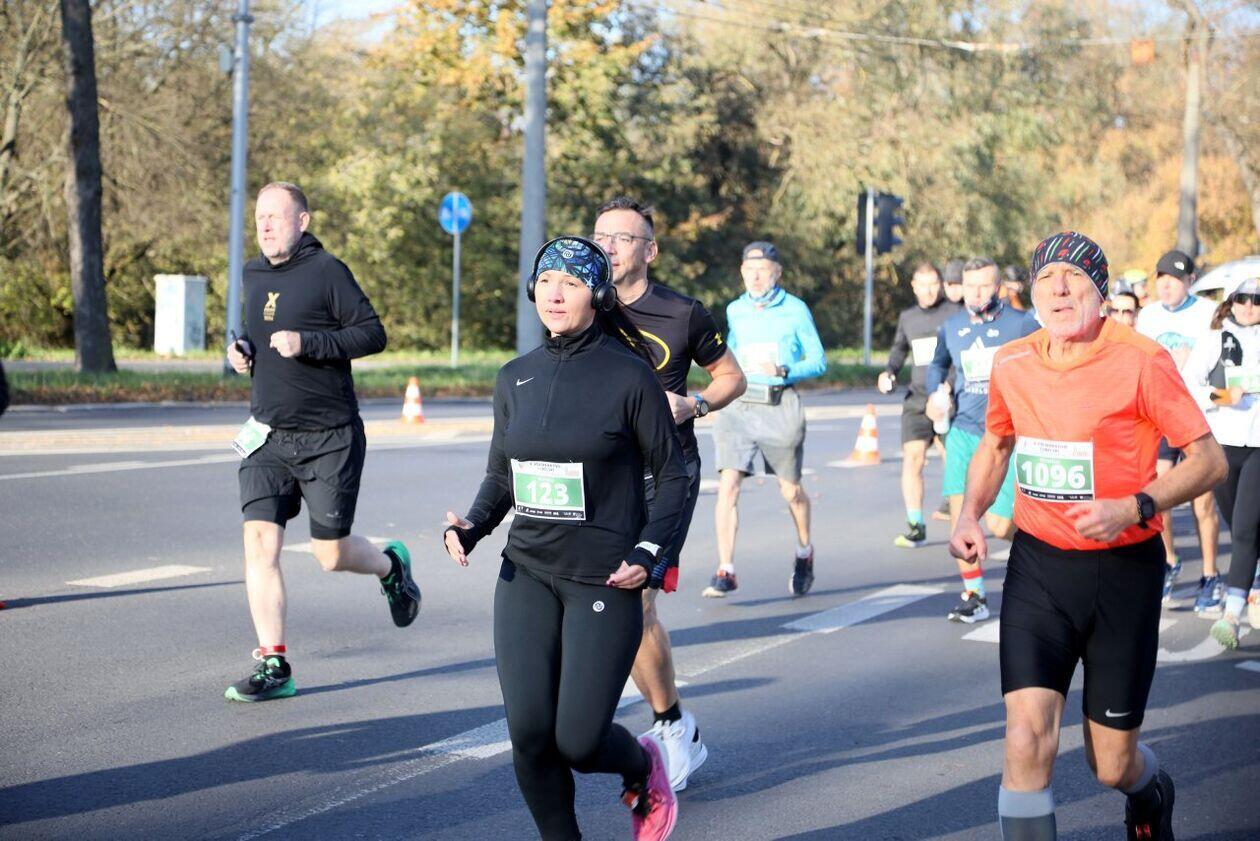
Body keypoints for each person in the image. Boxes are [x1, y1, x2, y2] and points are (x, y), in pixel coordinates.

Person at [953, 231, 1226, 841]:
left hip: (1122, 572)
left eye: (1074, 277)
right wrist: (969, 514)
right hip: (1039, 568)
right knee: (1025, 737)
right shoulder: (1013, 361)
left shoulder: (1142, 360)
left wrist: (1135, 506)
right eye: (1047, 279)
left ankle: (1150, 792)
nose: (1059, 289)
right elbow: (996, 444)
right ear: (1031, 293)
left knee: (1112, 764)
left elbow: (1209, 462)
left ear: (1100, 293)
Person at [443, 236, 685, 840]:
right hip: (525, 572)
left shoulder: (629, 377)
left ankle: (642, 766)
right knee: (529, 735)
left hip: (603, 578)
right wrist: (473, 525)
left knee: (578, 741)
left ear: (597, 296)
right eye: (546, 281)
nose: (554, 293)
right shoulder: (514, 377)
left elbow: (672, 477)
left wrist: (648, 553)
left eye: (571, 283)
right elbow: (503, 474)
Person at [224, 182, 420, 703]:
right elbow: (255, 332)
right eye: (260, 217)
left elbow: (372, 334)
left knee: (330, 556)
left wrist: (308, 342)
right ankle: (274, 663)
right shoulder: (253, 272)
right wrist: (242, 351)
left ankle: (390, 566)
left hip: (329, 436)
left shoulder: (328, 271)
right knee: (259, 544)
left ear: (302, 221)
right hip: (267, 436)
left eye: (276, 216)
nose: (266, 225)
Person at [593, 196, 747, 791]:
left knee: (634, 603)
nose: (608, 246)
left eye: (622, 238)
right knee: (606, 605)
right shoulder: (582, 304)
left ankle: (671, 725)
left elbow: (732, 376)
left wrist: (695, 404)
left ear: (649, 250)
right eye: (601, 236)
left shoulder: (683, 314)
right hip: (599, 474)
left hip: (665, 473)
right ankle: (670, 720)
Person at [705, 241, 826, 598]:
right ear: (742, 272)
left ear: (777, 273)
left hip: (779, 404)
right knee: (728, 484)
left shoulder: (796, 310)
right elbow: (731, 349)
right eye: (749, 270)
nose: (756, 277)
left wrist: (784, 369)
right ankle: (726, 569)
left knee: (791, 491)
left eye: (763, 270)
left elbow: (819, 360)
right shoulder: (735, 310)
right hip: (739, 405)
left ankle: (804, 551)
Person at [926, 257, 1038, 622]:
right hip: (964, 430)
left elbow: (1046, 360)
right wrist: (936, 391)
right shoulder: (952, 326)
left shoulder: (1021, 323)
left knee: (1001, 525)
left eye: (984, 285)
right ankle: (974, 594)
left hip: (1007, 436)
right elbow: (937, 364)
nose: (976, 293)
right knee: (963, 516)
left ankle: (1048, 554)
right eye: (970, 286)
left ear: (998, 287)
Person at [1135, 250, 1221, 612]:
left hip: (1199, 415)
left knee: (1202, 500)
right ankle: (1170, 560)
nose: (1167, 285)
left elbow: (1218, 361)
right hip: (1161, 417)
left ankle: (1210, 575)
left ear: (1190, 282)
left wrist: (1191, 364)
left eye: (1176, 278)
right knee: (1158, 492)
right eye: (1162, 278)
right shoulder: (1149, 316)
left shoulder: (1208, 313)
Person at [1183, 276, 1260, 648]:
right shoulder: (1215, 338)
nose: (1249, 306)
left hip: (1259, 444)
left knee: (1245, 527)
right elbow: (1188, 383)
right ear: (1232, 301)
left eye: (1257, 300)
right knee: (1238, 524)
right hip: (1224, 444)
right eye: (1243, 298)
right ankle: (1254, 581)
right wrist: (1221, 395)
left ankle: (1231, 615)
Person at [878, 261, 959, 547]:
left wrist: (948, 387)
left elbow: (960, 355)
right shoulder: (908, 317)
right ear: (913, 287)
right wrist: (889, 372)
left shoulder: (954, 314)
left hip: (948, 397)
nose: (928, 291)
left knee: (953, 459)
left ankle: (959, 517)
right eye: (922, 285)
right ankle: (915, 524)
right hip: (917, 398)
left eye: (933, 284)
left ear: (941, 285)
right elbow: (899, 349)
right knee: (913, 458)